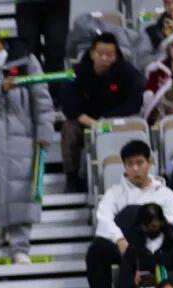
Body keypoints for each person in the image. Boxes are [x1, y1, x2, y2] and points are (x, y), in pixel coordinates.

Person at [0, 18, 57, 265]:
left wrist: (44, 133)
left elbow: (42, 99)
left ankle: (20, 247)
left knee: (21, 193)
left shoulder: (25, 59)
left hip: (23, 138)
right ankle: (3, 224)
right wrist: (1, 87)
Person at [89, 140, 173, 288]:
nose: (135, 168)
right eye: (130, 164)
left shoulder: (165, 194)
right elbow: (104, 219)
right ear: (124, 166)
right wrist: (120, 240)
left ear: (150, 162)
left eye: (140, 162)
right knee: (97, 250)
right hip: (125, 249)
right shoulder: (115, 193)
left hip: (157, 250)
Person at [60, 33, 144, 192]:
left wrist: (108, 120)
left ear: (116, 55)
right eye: (100, 54)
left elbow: (135, 102)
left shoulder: (126, 71)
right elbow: (70, 107)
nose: (104, 58)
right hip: (86, 122)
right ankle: (72, 178)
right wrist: (94, 124)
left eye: (109, 54)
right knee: (69, 129)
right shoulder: (78, 73)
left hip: (115, 121)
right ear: (92, 54)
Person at [116, 203, 173, 288]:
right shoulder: (135, 246)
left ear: (162, 222)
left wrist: (161, 277)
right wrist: (134, 281)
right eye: (145, 226)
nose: (148, 229)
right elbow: (121, 281)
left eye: (153, 226)